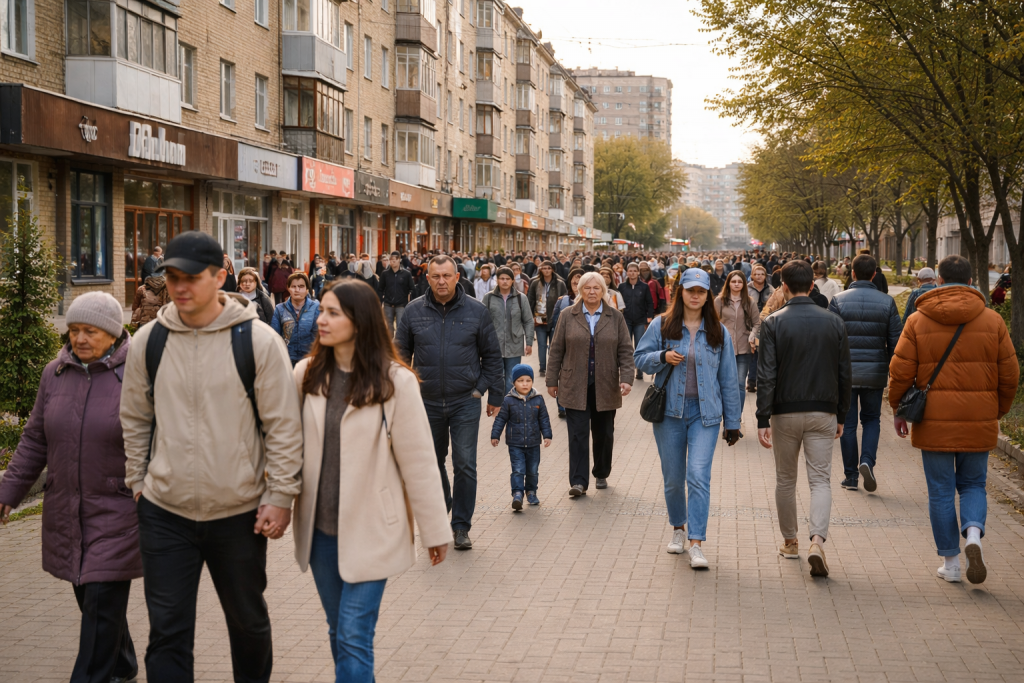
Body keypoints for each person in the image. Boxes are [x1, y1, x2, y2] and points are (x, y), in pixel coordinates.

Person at [119, 231, 303, 683]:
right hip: (164, 512)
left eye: (192, 278)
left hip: (238, 512)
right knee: (166, 634)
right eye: (173, 277)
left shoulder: (257, 341)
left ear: (220, 276)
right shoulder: (149, 341)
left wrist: (281, 496)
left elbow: (283, 427)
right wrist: (139, 484)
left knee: (248, 624)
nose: (180, 287)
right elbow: (135, 418)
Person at [291, 279, 451, 681]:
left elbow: (419, 460)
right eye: (321, 310)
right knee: (338, 631)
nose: (321, 320)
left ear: (359, 321)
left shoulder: (396, 381)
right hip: (320, 530)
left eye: (332, 313)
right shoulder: (305, 375)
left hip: (373, 528)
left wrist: (435, 530)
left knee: (353, 634)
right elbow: (285, 447)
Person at [0, 293, 140, 683]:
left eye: (90, 331)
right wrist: (8, 492)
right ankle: (124, 662)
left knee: (99, 595)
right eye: (74, 330)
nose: (79, 338)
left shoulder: (137, 374)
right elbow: (34, 439)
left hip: (120, 508)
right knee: (90, 595)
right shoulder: (54, 373)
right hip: (67, 504)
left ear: (112, 334)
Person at [888, 255, 1018, 584]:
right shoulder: (993, 321)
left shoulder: (918, 320)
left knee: (941, 491)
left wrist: (898, 409)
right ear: (972, 281)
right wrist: (997, 410)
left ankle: (952, 563)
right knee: (974, 484)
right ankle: (973, 535)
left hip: (933, 421)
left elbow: (900, 371)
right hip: (979, 418)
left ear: (940, 281)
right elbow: (1010, 375)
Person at [634, 269, 742, 569]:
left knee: (697, 475)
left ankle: (696, 542)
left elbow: (729, 380)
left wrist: (733, 422)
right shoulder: (662, 325)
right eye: (690, 290)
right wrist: (661, 357)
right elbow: (638, 357)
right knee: (673, 480)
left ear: (708, 295)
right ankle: (678, 529)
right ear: (680, 292)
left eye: (701, 291)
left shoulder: (719, 332)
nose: (695, 296)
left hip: (705, 415)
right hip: (669, 413)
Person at [394, 255, 504, 551]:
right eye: (435, 276)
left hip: (465, 400)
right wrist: (404, 391)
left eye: (446, 276)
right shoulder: (413, 311)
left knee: (465, 463)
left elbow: (492, 355)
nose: (441, 281)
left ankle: (461, 526)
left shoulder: (476, 311)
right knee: (431, 461)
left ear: (457, 277)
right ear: (426, 278)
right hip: (425, 402)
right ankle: (443, 504)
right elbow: (400, 353)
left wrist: (490, 392)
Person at [756, 260, 851, 578]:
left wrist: (762, 416)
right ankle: (817, 541)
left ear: (782, 286)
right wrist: (843, 414)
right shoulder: (834, 322)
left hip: (785, 412)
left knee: (785, 480)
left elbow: (766, 374)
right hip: (823, 410)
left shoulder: (773, 323)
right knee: (820, 480)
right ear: (813, 286)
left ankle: (790, 542)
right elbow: (844, 373)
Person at [546, 272, 635, 497]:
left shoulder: (615, 317)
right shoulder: (568, 315)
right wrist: (551, 380)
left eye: (597, 288)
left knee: (604, 433)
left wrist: (626, 378)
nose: (592, 292)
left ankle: (601, 472)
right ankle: (578, 482)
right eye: (587, 288)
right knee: (577, 434)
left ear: (603, 291)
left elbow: (625, 349)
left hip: (605, 384)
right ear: (580, 291)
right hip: (574, 383)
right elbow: (556, 349)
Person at [828, 254, 903, 492]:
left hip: (845, 374)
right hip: (875, 371)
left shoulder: (837, 301)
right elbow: (896, 344)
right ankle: (867, 461)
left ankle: (850, 477)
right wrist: (895, 375)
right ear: (874, 274)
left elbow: (830, 340)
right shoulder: (887, 302)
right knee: (871, 420)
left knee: (847, 424)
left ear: (851, 273)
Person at [490, 364, 553, 511]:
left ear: (532, 381)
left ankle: (531, 492)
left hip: (533, 443)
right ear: (514, 383)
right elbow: (500, 419)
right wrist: (495, 435)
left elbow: (544, 418)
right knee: (518, 469)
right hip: (515, 444)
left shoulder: (538, 399)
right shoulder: (508, 400)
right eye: (520, 381)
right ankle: (517, 494)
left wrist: (547, 435)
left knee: (532, 470)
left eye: (528, 380)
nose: (525, 384)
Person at [483, 267, 535, 394]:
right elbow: (482, 322)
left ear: (512, 281)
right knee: (497, 378)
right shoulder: (488, 298)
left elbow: (528, 321)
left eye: (507, 279)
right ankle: (498, 406)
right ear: (497, 280)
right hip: (494, 345)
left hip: (515, 345)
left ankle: (509, 405)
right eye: (502, 278)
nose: (504, 281)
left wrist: (529, 342)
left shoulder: (521, 298)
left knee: (511, 378)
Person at [715, 270, 760, 417]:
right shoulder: (719, 301)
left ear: (744, 284)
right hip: (724, 349)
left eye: (739, 282)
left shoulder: (749, 301)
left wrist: (752, 335)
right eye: (733, 281)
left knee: (740, 384)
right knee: (725, 385)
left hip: (744, 349)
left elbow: (757, 323)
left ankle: (736, 418)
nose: (736, 284)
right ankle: (725, 416)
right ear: (728, 283)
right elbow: (713, 323)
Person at [549, 268, 584, 419]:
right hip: (564, 344)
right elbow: (553, 321)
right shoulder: (562, 300)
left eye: (580, 280)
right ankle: (562, 406)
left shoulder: (591, 301)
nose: (576, 282)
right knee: (563, 374)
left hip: (582, 346)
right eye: (574, 280)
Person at [527, 260, 568, 378]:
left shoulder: (560, 284)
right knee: (541, 344)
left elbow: (564, 301)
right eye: (544, 268)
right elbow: (531, 300)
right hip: (540, 319)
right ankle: (542, 367)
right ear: (540, 269)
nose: (546, 270)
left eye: (548, 268)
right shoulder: (535, 283)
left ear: (553, 270)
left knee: (554, 345)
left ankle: (553, 367)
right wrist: (531, 316)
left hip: (556, 319)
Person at [271, 272, 321, 366]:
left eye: (301, 286)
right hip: (286, 361)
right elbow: (275, 336)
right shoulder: (280, 309)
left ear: (307, 289)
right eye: (293, 286)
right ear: (288, 288)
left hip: (309, 361)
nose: (297, 290)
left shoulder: (316, 308)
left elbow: (318, 336)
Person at [619, 262, 656, 379]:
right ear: (627, 272)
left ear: (638, 272)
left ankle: (639, 371)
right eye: (630, 271)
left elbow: (649, 302)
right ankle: (628, 371)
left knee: (640, 345)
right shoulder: (622, 287)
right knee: (627, 346)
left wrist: (649, 316)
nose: (632, 273)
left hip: (640, 320)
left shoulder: (644, 287)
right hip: (626, 320)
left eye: (635, 271)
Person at [746, 265, 774, 392]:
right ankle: (751, 381)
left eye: (761, 274)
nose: (759, 276)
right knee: (752, 353)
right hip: (749, 325)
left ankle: (761, 381)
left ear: (765, 275)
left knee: (762, 353)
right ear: (752, 275)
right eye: (756, 274)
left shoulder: (771, 290)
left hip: (766, 325)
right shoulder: (746, 289)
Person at [379, 251, 415, 336]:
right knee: (389, 326)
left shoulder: (406, 274)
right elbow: (380, 288)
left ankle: (400, 345)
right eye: (390, 260)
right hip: (388, 304)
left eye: (394, 260)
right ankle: (390, 345)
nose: (392, 262)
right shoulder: (385, 274)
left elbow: (412, 288)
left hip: (401, 304)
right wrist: (381, 300)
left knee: (400, 325)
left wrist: (410, 302)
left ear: (399, 260)